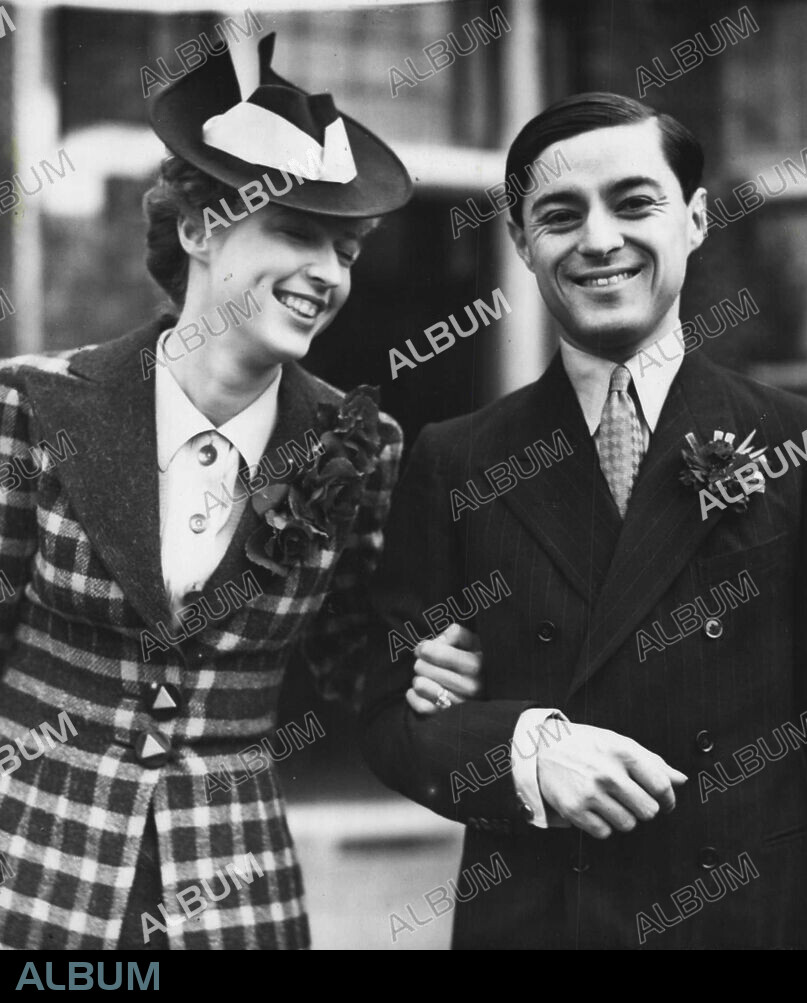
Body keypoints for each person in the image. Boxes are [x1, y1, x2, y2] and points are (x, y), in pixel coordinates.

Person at [360, 92, 807, 950]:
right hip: (539, 923)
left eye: (634, 202)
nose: (599, 239)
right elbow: (389, 709)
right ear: (522, 243)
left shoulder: (804, 443)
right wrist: (522, 749)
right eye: (559, 213)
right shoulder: (457, 459)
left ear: (692, 219)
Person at [0, 33, 473, 951]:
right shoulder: (30, 404)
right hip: (29, 865)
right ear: (198, 229)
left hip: (233, 887)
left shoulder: (360, 446)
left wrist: (430, 659)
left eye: (348, 249)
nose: (329, 275)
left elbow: (355, 661)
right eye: (298, 233)